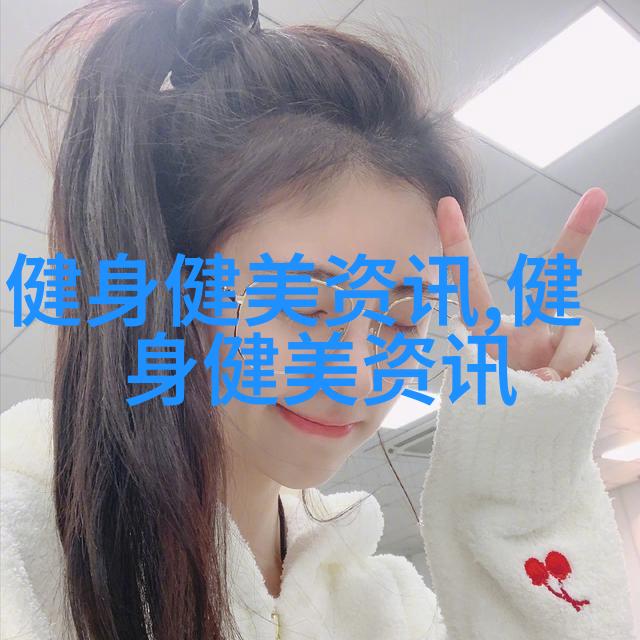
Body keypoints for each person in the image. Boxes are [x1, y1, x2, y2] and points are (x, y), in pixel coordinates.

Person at [0, 0, 635, 638]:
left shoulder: (385, 604)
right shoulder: (23, 550)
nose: (359, 378)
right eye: (306, 306)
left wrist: (522, 480)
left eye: (402, 321)